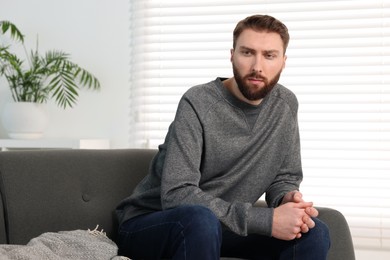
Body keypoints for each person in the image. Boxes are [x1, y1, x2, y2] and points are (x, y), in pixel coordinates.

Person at [116, 14, 330, 259]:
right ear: (232, 55)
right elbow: (177, 194)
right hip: (153, 223)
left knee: (316, 233)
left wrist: (286, 197)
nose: (257, 67)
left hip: (223, 225)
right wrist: (265, 220)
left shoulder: (286, 105)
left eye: (269, 55)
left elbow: (284, 176)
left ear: (283, 61)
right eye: (247, 53)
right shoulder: (197, 102)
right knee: (200, 219)